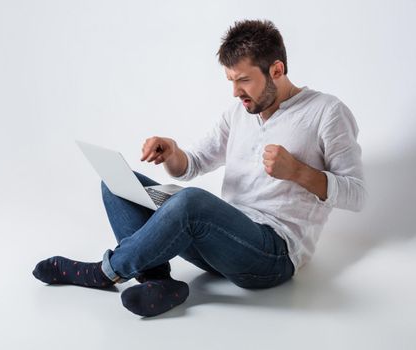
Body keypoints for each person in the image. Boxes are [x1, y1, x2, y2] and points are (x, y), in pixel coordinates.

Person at [32, 19, 367, 317]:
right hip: (221, 242)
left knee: (191, 202)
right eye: (231, 81)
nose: (236, 92)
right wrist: (173, 153)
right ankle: (159, 283)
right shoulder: (239, 113)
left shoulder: (326, 112)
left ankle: (105, 272)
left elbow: (357, 195)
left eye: (244, 81)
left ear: (276, 70)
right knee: (118, 183)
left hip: (272, 255)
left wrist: (297, 172)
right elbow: (191, 166)